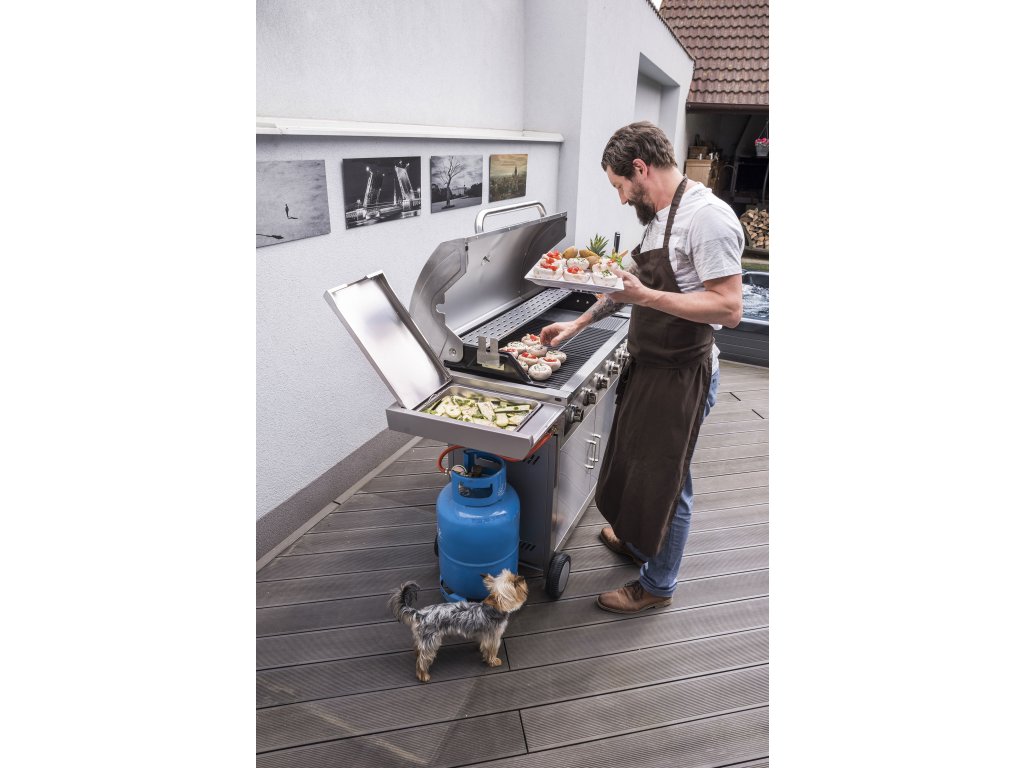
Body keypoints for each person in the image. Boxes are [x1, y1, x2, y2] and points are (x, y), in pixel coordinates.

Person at [539, 121, 744, 614]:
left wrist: (648, 297)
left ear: (640, 168)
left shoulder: (707, 218)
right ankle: (637, 543)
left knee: (670, 483)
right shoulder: (658, 217)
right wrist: (577, 323)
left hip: (685, 374)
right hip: (652, 367)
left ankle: (658, 584)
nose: (620, 198)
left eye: (619, 186)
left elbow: (729, 307)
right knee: (639, 467)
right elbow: (627, 281)